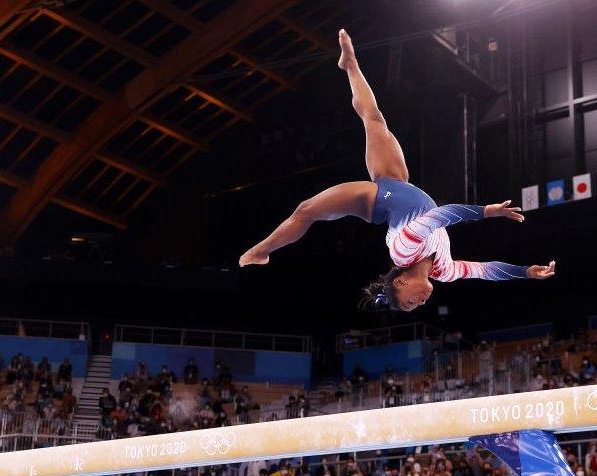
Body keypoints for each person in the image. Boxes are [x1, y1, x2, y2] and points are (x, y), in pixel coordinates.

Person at [238, 29, 555, 312]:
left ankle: (260, 250)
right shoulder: (443, 270)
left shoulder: (404, 251)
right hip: (397, 182)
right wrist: (526, 271)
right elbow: (486, 271)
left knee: (306, 209)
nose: (419, 304)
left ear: (400, 284)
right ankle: (351, 66)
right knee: (374, 119)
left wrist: (487, 211)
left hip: (376, 199)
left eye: (409, 303)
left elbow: (444, 215)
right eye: (415, 308)